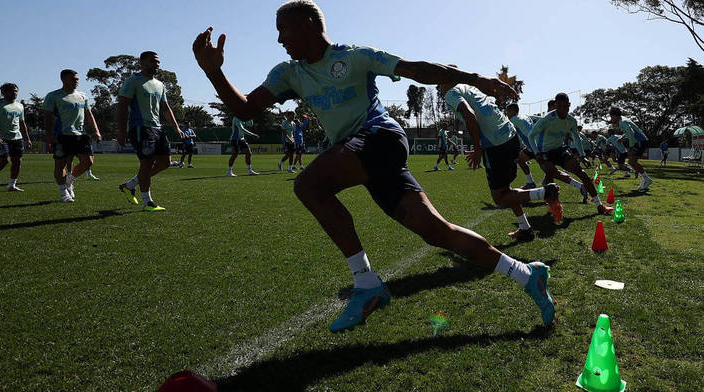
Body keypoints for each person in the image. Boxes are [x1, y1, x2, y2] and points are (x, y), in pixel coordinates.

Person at [193, 0, 556, 332]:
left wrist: (475, 78)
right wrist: (214, 73)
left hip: (380, 137)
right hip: (359, 153)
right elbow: (246, 109)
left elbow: (417, 69)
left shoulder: (355, 56)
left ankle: (366, 284)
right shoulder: (289, 73)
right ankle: (527, 274)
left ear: (306, 24)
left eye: (283, 30)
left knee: (308, 185)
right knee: (437, 233)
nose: (278, 39)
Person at [441, 83, 562, 241]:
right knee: (507, 191)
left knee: (499, 198)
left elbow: (470, 117)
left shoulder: (451, 93)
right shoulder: (472, 88)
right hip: (510, 137)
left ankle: (545, 192)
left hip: (496, 145)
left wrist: (478, 149)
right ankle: (525, 228)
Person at [117, 51, 186, 211]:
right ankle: (147, 202)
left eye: (158, 62)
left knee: (165, 162)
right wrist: (121, 130)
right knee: (146, 163)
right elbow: (122, 106)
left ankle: (130, 185)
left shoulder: (160, 85)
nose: (157, 64)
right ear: (142, 62)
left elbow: (166, 108)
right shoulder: (133, 81)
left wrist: (176, 127)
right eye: (153, 61)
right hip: (141, 128)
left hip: (158, 128)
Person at [528, 93, 613, 214]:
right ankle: (553, 205)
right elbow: (531, 136)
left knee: (581, 173)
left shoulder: (571, 121)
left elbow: (577, 138)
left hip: (560, 150)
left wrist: (583, 155)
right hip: (544, 152)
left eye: (565, 106)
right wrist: (537, 153)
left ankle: (599, 205)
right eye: (559, 106)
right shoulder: (547, 119)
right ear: (556, 105)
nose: (563, 109)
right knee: (550, 174)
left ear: (569, 105)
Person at [43, 69, 102, 202]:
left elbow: (89, 114)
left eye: (77, 79)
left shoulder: (82, 96)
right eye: (73, 79)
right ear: (63, 80)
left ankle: (69, 181)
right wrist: (49, 135)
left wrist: (96, 131)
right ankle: (64, 193)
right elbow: (47, 117)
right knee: (60, 165)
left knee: (88, 162)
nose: (76, 81)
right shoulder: (53, 96)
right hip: (62, 135)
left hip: (80, 135)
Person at [0, 83, 32, 192]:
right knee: (4, 160)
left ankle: (12, 185)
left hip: (17, 138)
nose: (14, 93)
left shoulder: (20, 106)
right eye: (11, 91)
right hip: (1, 138)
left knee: (17, 161)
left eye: (16, 91)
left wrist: (27, 139)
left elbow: (22, 123)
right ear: (4, 92)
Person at [610, 107, 652, 191]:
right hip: (641, 141)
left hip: (639, 142)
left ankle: (646, 179)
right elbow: (629, 131)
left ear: (615, 116)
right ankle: (645, 178)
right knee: (632, 162)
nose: (611, 119)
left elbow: (631, 132)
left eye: (611, 116)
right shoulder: (624, 120)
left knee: (631, 161)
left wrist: (631, 146)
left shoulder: (622, 122)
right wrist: (622, 137)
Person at [505, 103, 540, 189]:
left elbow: (506, 134)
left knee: (551, 170)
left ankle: (578, 185)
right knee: (520, 160)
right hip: (534, 146)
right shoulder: (526, 116)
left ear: (513, 111)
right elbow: (540, 119)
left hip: (536, 148)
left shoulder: (513, 120)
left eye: (507, 112)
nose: (506, 114)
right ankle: (530, 182)